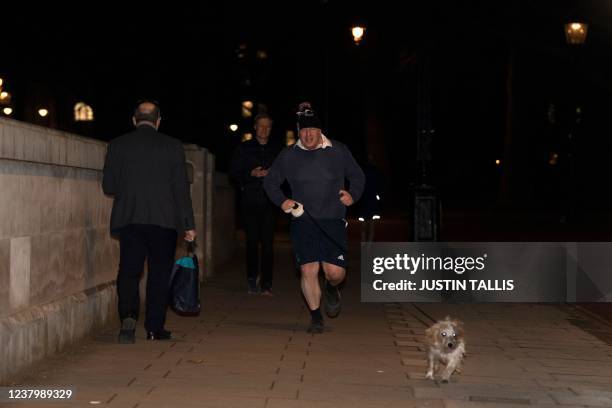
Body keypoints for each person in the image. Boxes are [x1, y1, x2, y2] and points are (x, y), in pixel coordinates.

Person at [264, 102, 365, 333]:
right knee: (308, 269)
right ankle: (315, 316)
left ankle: (331, 287)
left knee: (335, 273)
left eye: (312, 130)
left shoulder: (338, 150)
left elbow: (357, 176)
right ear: (299, 131)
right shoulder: (289, 155)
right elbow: (270, 182)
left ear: (320, 131)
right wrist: (283, 201)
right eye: (303, 131)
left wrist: (353, 195)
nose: (308, 135)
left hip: (332, 220)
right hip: (303, 221)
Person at [102, 100, 196, 344]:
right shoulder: (173, 146)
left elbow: (109, 186)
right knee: (159, 274)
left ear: (134, 120)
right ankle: (155, 327)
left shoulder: (117, 145)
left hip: (130, 219)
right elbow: (180, 190)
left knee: (129, 272)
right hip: (163, 221)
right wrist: (188, 224)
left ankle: (128, 320)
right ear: (158, 121)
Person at [229, 113, 280, 295]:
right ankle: (252, 280)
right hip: (250, 201)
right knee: (251, 243)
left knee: (267, 245)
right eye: (261, 126)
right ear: (255, 127)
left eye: (268, 126)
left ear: (271, 128)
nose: (264, 129)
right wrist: (251, 174)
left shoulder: (277, 150)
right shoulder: (244, 148)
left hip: (270, 203)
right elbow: (233, 173)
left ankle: (267, 284)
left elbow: (287, 175)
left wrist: (274, 175)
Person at [357, 154, 383, 242]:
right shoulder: (372, 171)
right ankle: (367, 246)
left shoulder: (365, 171)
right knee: (368, 226)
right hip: (368, 200)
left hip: (368, 200)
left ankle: (367, 246)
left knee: (367, 225)